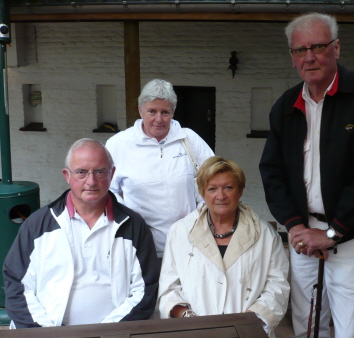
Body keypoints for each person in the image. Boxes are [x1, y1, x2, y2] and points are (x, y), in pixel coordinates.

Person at [259, 13, 354, 338]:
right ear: (292, 58)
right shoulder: (285, 106)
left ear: (336, 48)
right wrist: (295, 226)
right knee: (307, 326)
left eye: (318, 46)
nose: (309, 57)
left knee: (349, 329)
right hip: (303, 234)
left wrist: (333, 234)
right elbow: (273, 171)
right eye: (300, 50)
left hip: (351, 235)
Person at [3, 138, 159, 329]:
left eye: (100, 171)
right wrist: (46, 334)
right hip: (49, 333)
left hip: (113, 334)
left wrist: (108, 332)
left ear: (112, 174)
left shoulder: (133, 225)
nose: (91, 181)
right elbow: (17, 285)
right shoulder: (38, 225)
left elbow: (145, 290)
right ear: (67, 175)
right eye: (81, 172)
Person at [158, 156, 290, 337]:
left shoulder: (265, 234)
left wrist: (245, 324)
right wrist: (190, 319)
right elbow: (169, 288)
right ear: (202, 192)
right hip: (194, 333)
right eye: (212, 189)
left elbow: (278, 287)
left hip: (248, 332)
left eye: (228, 187)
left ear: (240, 190)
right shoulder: (180, 232)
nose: (221, 196)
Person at [105, 79, 214, 260]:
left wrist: (201, 215)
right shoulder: (119, 144)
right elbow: (107, 189)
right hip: (140, 247)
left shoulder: (189, 139)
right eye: (152, 111)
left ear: (173, 112)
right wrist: (126, 214)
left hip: (190, 245)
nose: (159, 119)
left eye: (165, 112)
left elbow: (214, 179)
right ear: (140, 110)